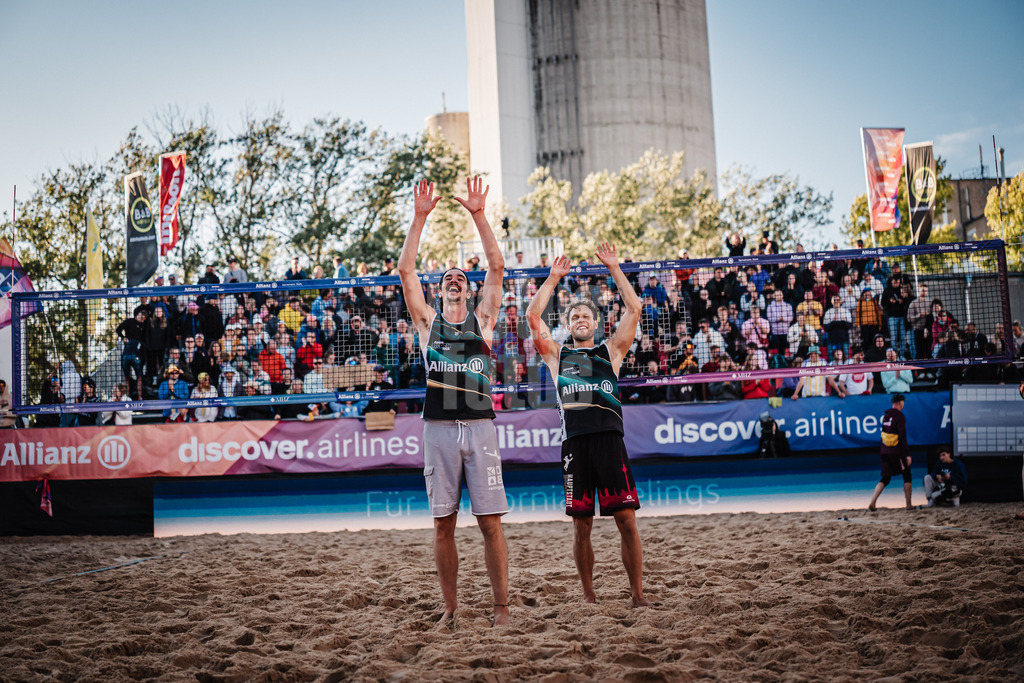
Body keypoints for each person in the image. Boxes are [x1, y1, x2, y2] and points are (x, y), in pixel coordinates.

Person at [397, 176, 510, 626]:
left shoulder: (483, 321)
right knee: (444, 523)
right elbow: (407, 272)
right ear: (441, 291)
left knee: (489, 522)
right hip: (439, 429)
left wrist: (479, 215)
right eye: (448, 278)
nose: (455, 280)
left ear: (468, 289)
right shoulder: (428, 324)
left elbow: (497, 268)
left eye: (461, 277)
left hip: (480, 427)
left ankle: (501, 608)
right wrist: (420, 217)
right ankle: (450, 608)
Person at [526, 244, 651, 607]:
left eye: (586, 315)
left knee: (626, 520)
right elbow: (533, 317)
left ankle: (638, 595)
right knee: (582, 526)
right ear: (567, 325)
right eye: (574, 316)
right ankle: (589, 594)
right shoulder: (557, 355)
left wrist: (614, 266)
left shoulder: (610, 352)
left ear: (596, 324)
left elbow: (635, 308)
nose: (581, 318)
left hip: (610, 442)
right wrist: (552, 279)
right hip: (575, 445)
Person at [869, 393, 913, 511]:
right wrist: (907, 454)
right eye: (903, 402)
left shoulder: (886, 416)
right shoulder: (900, 416)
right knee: (907, 475)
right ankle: (908, 505)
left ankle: (872, 502)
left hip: (884, 450)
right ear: (899, 403)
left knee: (885, 478)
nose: (903, 404)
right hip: (896, 451)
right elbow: (902, 436)